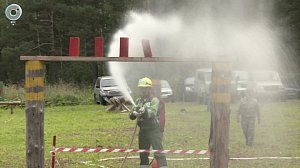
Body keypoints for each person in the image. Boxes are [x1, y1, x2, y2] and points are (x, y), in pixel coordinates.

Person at [129, 77, 168, 168]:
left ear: (149, 88)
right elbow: (131, 114)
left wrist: (144, 111)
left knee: (159, 153)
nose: (143, 90)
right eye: (141, 88)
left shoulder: (154, 100)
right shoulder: (138, 101)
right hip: (143, 131)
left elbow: (152, 113)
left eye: (145, 88)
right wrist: (133, 114)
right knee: (143, 154)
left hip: (154, 130)